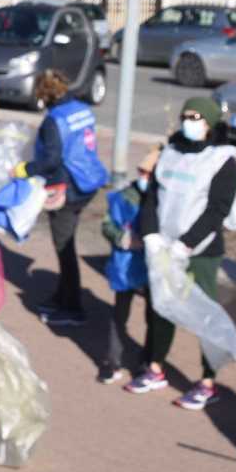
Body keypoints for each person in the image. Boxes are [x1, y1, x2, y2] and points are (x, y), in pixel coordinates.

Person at [125, 95, 236, 410]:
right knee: (161, 307)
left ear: (211, 123)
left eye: (197, 117)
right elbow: (152, 199)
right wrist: (150, 235)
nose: (190, 121)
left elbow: (217, 209)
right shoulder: (170, 152)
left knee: (205, 314)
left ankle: (208, 381)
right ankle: (155, 367)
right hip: (163, 246)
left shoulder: (222, 159)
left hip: (199, 250)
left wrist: (186, 243)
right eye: (186, 115)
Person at [23, 69, 109, 329]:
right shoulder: (81, 108)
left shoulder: (54, 120)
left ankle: (73, 307)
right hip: (88, 180)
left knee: (65, 248)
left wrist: (24, 169)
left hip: (67, 188)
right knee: (66, 244)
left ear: (44, 95)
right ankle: (62, 296)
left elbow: (50, 160)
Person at [96, 147, 158, 385]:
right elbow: (107, 224)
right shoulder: (124, 196)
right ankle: (112, 361)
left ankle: (148, 362)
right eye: (141, 171)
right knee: (119, 313)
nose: (143, 177)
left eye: (148, 173)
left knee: (153, 317)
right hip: (126, 264)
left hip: (151, 267)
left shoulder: (164, 200)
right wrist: (122, 238)